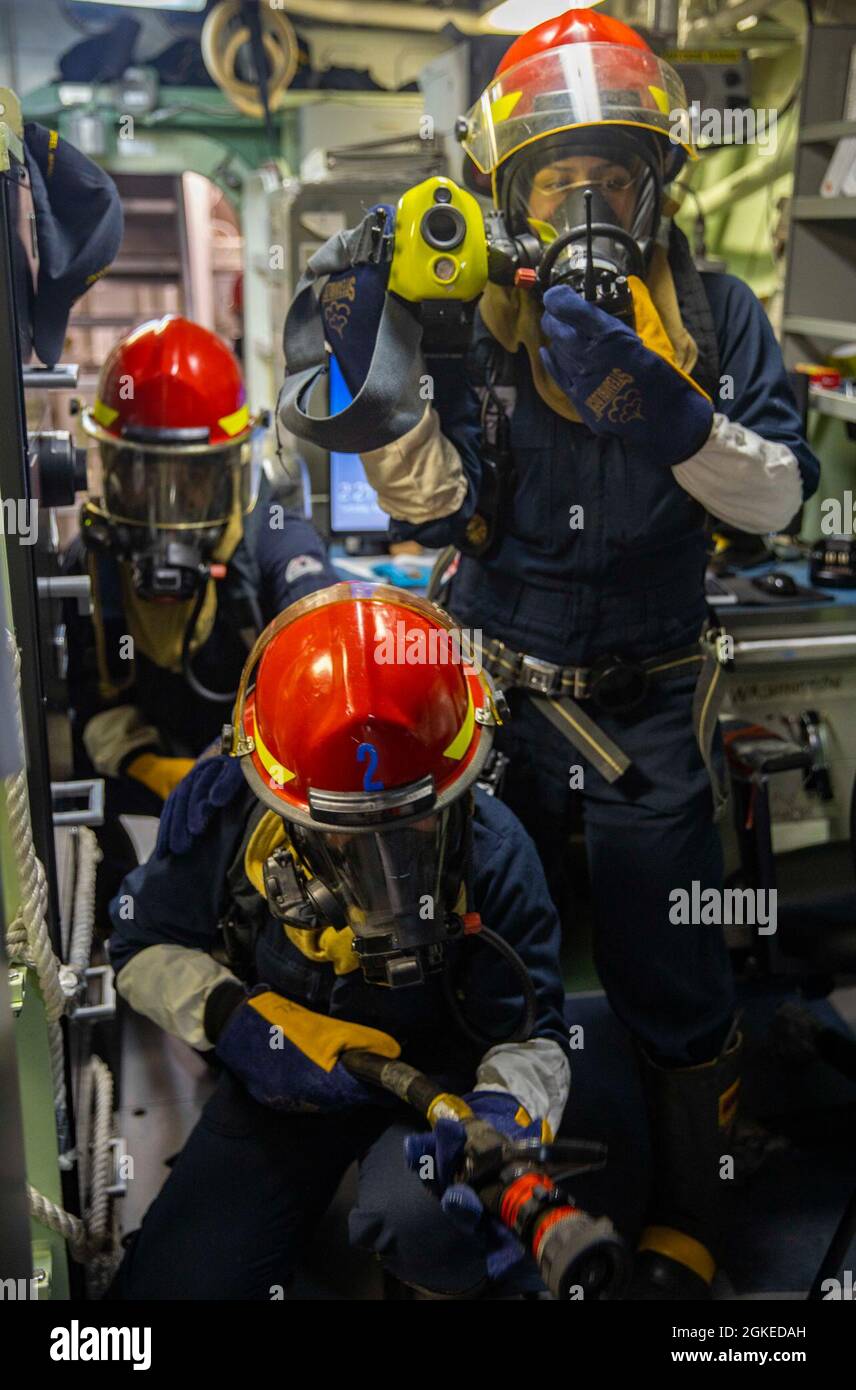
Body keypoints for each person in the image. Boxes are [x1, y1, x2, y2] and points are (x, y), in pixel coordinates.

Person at [309, 10, 821, 1298]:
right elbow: (429, 507)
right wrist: (372, 367)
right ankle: (455, 1199)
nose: (583, 201)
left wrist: (663, 407)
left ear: (657, 187)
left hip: (646, 702)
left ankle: (692, 1216)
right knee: (468, 948)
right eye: (553, 179)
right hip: (493, 690)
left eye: (611, 176)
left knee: (676, 968)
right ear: (506, 196)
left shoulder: (712, 313)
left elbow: (775, 499)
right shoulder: (478, 323)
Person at [105, 583, 571, 1300]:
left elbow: (536, 1032)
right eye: (345, 833)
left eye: (411, 825)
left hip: (435, 1086)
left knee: (438, 1227)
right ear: (278, 798)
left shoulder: (497, 853)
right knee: (177, 1287)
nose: (383, 865)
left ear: (465, 781)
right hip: (280, 1088)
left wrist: (504, 1111)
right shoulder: (231, 814)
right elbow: (139, 945)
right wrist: (232, 1019)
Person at [63, 315, 337, 891]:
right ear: (110, 472)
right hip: (135, 797)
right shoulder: (86, 567)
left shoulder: (274, 540)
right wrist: (149, 769)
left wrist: (231, 765)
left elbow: (323, 648)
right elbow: (90, 696)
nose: (167, 506)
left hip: (260, 789)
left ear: (228, 471)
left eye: (189, 478)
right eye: (142, 476)